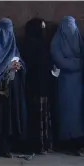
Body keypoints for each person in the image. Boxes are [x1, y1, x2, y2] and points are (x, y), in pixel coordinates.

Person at [0, 18, 28, 158]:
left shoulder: (14, 48)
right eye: (5, 31)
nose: (8, 34)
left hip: (13, 89)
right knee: (0, 119)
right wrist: (7, 68)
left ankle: (10, 144)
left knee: (12, 117)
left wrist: (19, 66)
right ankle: (1, 146)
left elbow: (21, 63)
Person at [50, 16, 84, 156]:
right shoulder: (56, 42)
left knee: (78, 113)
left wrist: (74, 63)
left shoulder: (78, 39)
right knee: (67, 111)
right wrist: (77, 63)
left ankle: (78, 141)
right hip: (64, 82)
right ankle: (68, 142)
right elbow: (59, 60)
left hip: (79, 83)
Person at [23, 18, 53, 154]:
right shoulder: (29, 44)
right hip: (34, 85)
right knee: (36, 115)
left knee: (43, 114)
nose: (43, 31)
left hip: (43, 85)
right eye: (41, 28)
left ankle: (45, 144)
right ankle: (37, 145)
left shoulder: (43, 44)